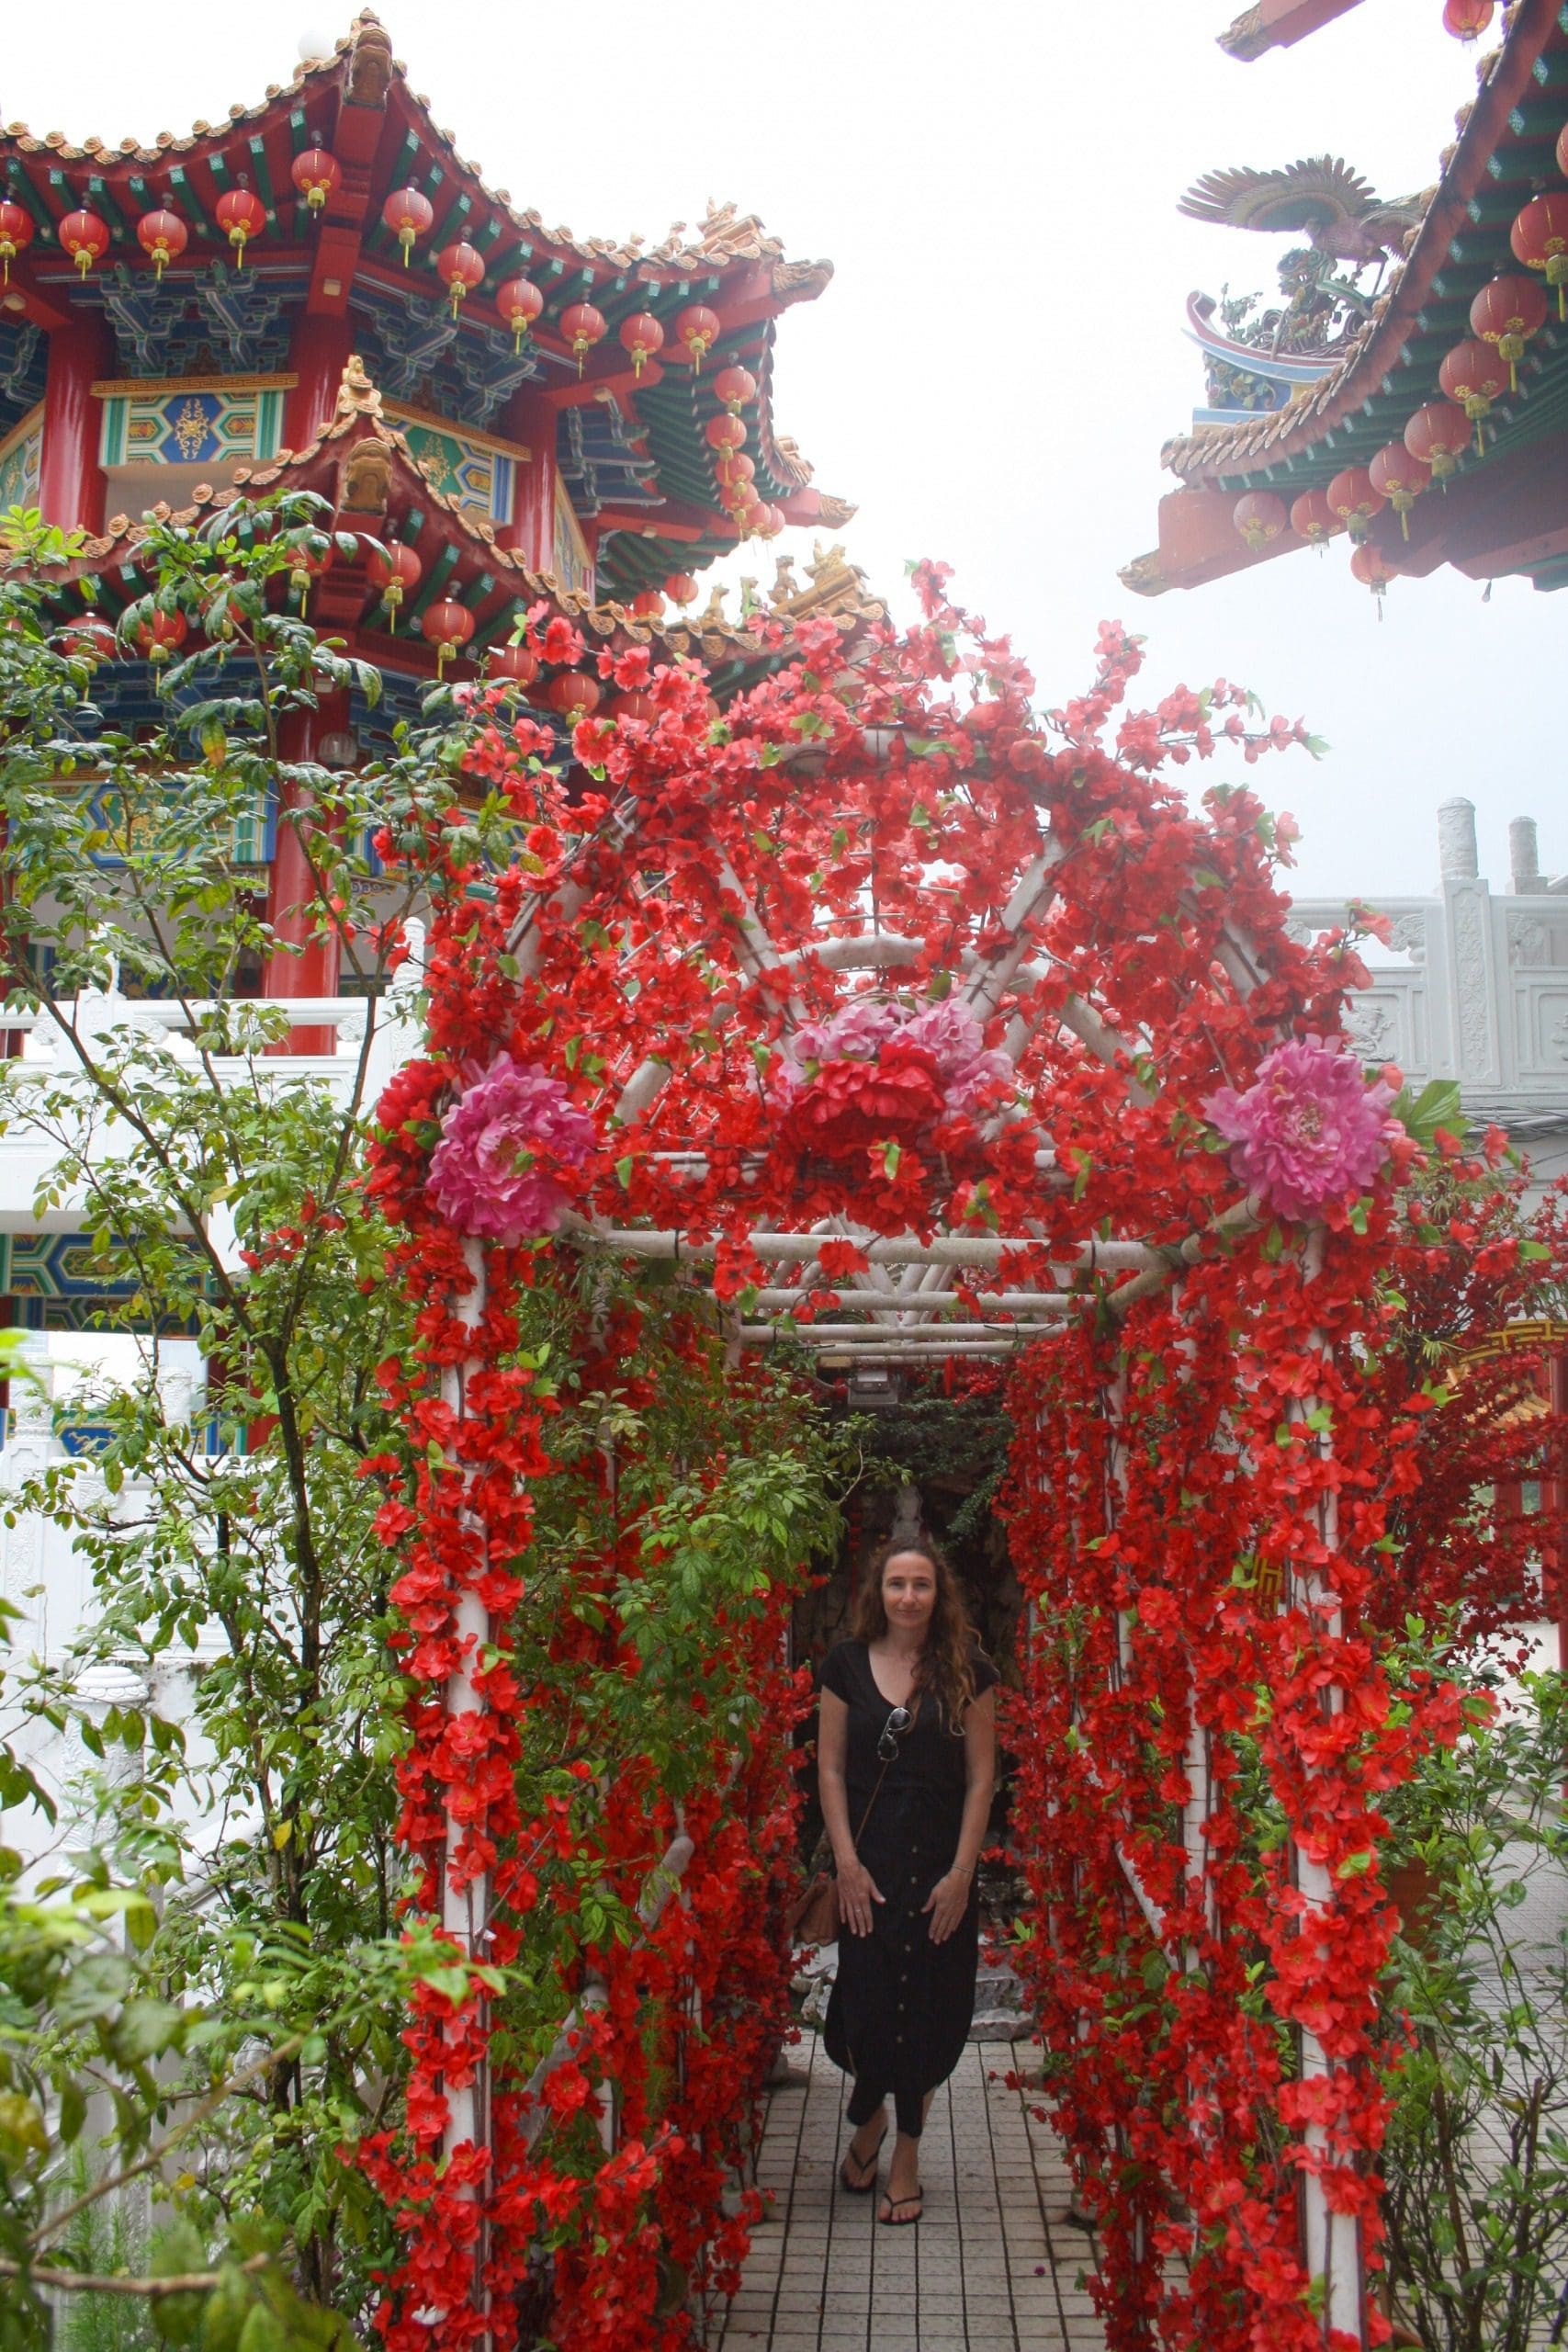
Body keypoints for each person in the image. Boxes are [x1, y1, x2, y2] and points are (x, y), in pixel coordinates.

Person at [817, 1540, 998, 2227]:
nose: (909, 1597)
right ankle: (867, 2121)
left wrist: (961, 1875)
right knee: (865, 2009)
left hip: (938, 1870)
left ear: (937, 1594)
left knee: (927, 2011)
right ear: (878, 1592)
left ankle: (904, 2160)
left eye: (921, 1585)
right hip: (870, 1867)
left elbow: (982, 1778)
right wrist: (845, 1865)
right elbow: (829, 1771)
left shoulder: (969, 1671)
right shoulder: (843, 1666)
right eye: (897, 1584)